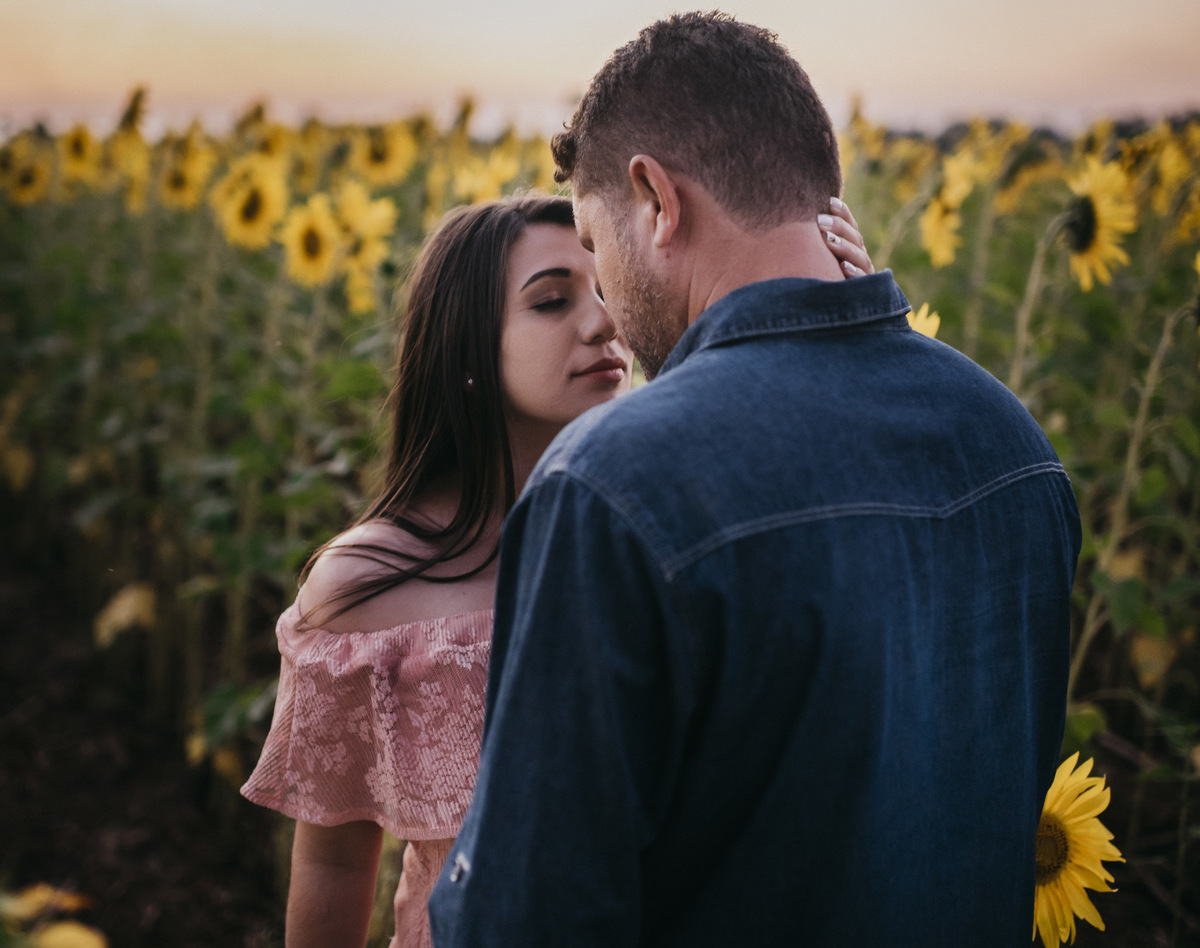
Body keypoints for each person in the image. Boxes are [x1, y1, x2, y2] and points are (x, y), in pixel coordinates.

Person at [428, 12, 1081, 948]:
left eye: (593, 243)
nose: (604, 303)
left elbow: (526, 919)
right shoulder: (1014, 445)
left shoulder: (612, 486)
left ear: (656, 199)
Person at [240, 191, 871, 947]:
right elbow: (338, 868)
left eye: (607, 289)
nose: (604, 320)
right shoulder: (367, 588)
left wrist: (848, 341)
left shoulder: (685, 524)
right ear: (468, 341)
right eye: (551, 302)